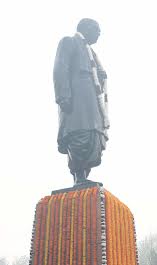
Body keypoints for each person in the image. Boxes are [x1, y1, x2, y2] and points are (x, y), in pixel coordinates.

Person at [54, 18, 110, 186]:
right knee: (78, 134)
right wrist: (63, 96)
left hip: (93, 103)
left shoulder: (92, 54)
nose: (99, 34)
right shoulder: (69, 42)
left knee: (94, 136)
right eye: (97, 30)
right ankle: (79, 176)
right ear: (85, 28)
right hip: (77, 101)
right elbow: (60, 68)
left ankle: (84, 176)